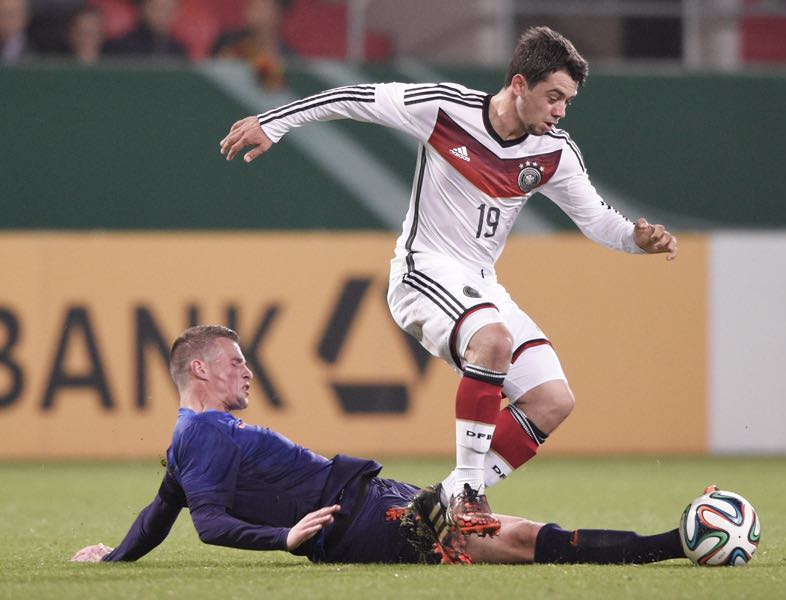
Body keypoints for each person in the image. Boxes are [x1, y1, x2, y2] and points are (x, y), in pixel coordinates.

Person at [218, 26, 679, 538]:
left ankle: (431, 510)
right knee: (494, 340)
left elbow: (596, 219)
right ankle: (464, 491)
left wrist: (638, 239)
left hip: (481, 284)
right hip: (422, 270)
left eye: (568, 101)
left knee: (552, 400)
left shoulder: (554, 152)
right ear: (520, 84)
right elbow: (355, 98)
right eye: (554, 97)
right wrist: (274, 123)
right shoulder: (445, 108)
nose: (560, 111)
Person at [71, 325, 687, 566]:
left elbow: (162, 511)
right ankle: (679, 542)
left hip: (370, 501)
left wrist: (117, 556)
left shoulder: (194, 439)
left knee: (515, 533)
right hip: (364, 521)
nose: (247, 371)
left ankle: (677, 541)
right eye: (235, 363)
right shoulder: (203, 433)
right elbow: (206, 522)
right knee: (520, 539)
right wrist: (283, 539)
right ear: (199, 372)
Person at [212, 0, 294, 90]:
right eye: (252, 5)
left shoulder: (290, 57)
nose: (253, 11)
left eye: (262, 7)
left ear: (278, 15)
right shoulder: (228, 42)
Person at [103, 0, 186, 59]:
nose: (163, 15)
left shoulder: (178, 50)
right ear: (144, 8)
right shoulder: (119, 46)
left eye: (169, 9)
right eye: (158, 8)